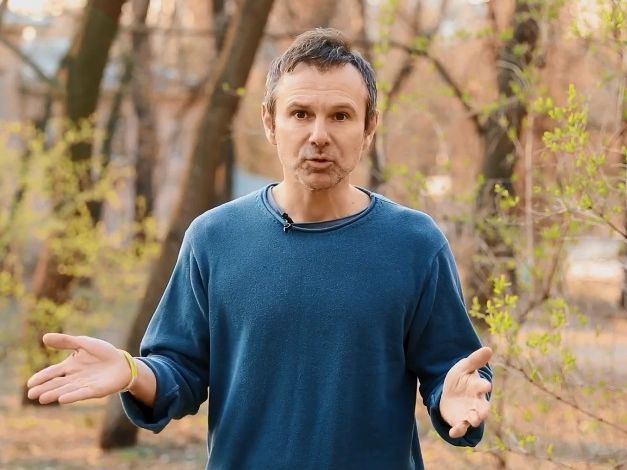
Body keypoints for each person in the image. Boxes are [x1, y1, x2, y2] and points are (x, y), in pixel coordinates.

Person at [27, 28, 493, 469]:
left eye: (341, 116)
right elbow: (179, 371)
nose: (319, 135)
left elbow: (455, 372)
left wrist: (455, 397)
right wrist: (131, 372)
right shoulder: (214, 237)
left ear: (369, 128)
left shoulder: (414, 244)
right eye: (300, 114)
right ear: (270, 122)